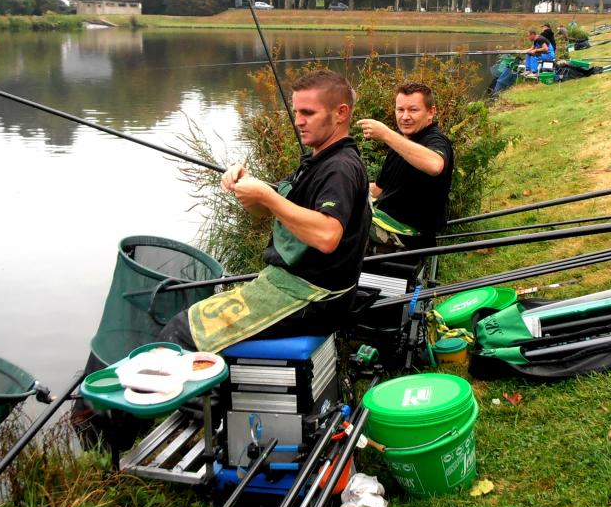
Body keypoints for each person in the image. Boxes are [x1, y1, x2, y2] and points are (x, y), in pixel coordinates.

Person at [159, 69, 370, 352]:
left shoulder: (340, 168)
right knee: (186, 320)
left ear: (341, 113)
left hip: (315, 298)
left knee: (181, 333)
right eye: (296, 112)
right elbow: (265, 211)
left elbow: (327, 235)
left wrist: (268, 196)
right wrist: (246, 185)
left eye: (308, 112)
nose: (298, 121)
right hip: (290, 284)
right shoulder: (319, 159)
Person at [356, 82, 455, 250]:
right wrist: (343, 189)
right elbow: (379, 190)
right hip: (384, 221)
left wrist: (386, 134)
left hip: (408, 236)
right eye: (400, 110)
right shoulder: (401, 142)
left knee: (338, 229)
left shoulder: (435, 140)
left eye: (413, 110)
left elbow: (434, 165)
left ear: (431, 112)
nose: (405, 117)